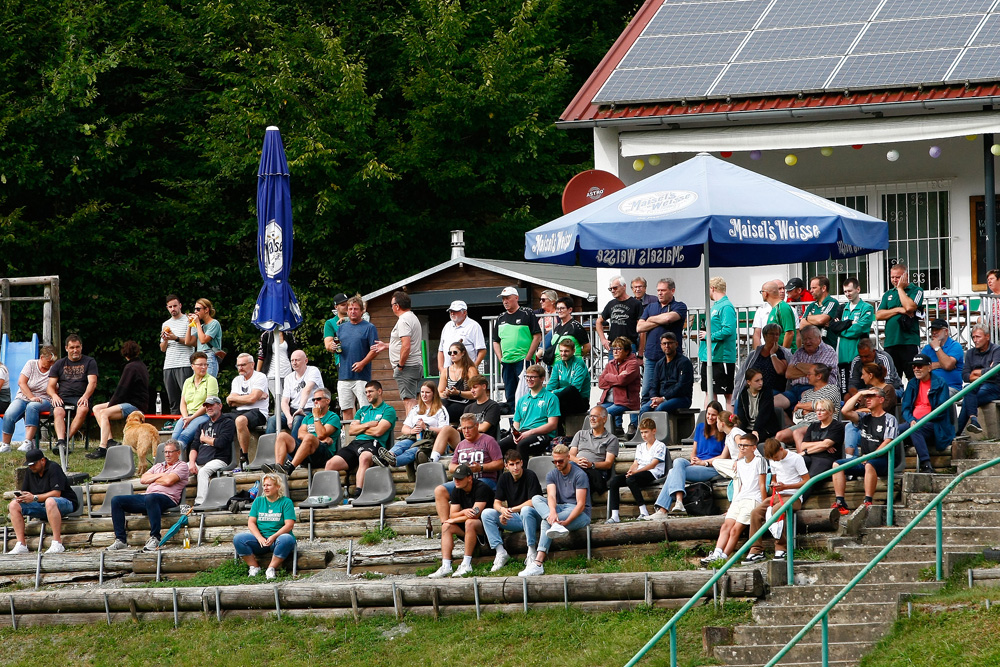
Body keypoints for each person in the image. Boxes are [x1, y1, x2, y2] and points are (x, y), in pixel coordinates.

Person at [518, 444, 591, 577]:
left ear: (568, 458)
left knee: (547, 523)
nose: (557, 464)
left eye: (560, 461)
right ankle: (533, 550)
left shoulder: (580, 474)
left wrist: (565, 521)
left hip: (578, 512)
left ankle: (538, 563)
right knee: (534, 501)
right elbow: (551, 495)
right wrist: (551, 513)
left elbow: (580, 505)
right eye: (554, 461)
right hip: (560, 507)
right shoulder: (552, 474)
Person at [106, 439, 190, 552]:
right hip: (148, 497)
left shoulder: (182, 466)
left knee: (152, 497)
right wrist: (161, 475)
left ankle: (155, 537)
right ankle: (120, 540)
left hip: (168, 498)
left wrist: (154, 479)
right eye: (165, 452)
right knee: (116, 500)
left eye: (170, 452)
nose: (167, 455)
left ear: (178, 453)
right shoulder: (158, 466)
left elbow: (169, 481)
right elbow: (143, 479)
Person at [650, 402, 725, 517]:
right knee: (678, 462)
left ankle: (664, 509)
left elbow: (724, 457)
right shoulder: (700, 427)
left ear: (719, 416)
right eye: (708, 414)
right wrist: (694, 460)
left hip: (712, 466)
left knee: (672, 472)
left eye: (713, 415)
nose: (710, 417)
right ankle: (677, 502)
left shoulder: (723, 432)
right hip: (697, 463)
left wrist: (703, 463)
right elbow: (694, 451)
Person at [832, 387, 899, 515]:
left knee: (870, 464)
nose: (867, 399)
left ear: (881, 400)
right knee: (837, 465)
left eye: (871, 396)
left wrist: (871, 457)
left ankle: (868, 500)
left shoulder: (890, 419)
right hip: (864, 459)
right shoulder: (864, 417)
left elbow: (888, 442)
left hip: (883, 460)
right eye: (866, 397)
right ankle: (840, 502)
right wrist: (860, 393)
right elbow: (845, 411)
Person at [701, 433, 766, 564]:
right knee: (726, 526)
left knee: (736, 529)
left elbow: (762, 484)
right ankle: (717, 553)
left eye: (745, 446)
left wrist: (764, 504)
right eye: (740, 445)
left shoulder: (759, 461)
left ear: (754, 447)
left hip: (753, 499)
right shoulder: (740, 464)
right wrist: (733, 503)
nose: (742, 448)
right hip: (740, 499)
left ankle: (724, 557)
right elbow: (740, 485)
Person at [325, 381, 397, 498]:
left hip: (374, 444)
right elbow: (351, 431)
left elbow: (378, 432)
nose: (367, 394)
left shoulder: (388, 410)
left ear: (379, 392)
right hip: (356, 443)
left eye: (370, 392)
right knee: (330, 464)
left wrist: (361, 428)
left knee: (364, 457)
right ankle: (329, 496)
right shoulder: (362, 410)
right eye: (366, 392)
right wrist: (368, 425)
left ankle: (359, 494)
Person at [743, 438, 810, 563]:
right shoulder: (772, 460)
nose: (775, 460)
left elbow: (807, 480)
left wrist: (786, 486)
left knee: (777, 509)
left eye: (776, 457)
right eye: (772, 459)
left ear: (781, 449)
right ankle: (756, 549)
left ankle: (781, 548)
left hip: (794, 496)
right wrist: (774, 483)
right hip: (777, 495)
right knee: (755, 512)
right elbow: (774, 477)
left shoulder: (796, 459)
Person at [427, 464, 495, 579]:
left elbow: (475, 514)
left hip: (485, 528)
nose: (456, 481)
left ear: (469, 478)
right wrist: (463, 513)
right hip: (468, 526)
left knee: (469, 522)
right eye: (455, 478)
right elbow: (453, 513)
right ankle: (446, 565)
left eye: (460, 478)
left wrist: (453, 519)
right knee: (446, 527)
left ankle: (466, 564)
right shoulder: (457, 489)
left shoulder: (482, 488)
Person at [6, 449, 79, 554]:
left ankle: (57, 543)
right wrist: (22, 497)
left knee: (50, 501)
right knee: (13, 505)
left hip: (65, 503)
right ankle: (21, 544)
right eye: (29, 465)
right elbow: (25, 492)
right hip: (42, 505)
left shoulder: (54, 468)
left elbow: (56, 493)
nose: (31, 467)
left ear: (43, 460)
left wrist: (34, 497)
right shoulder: (30, 471)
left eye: (34, 464)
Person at [482, 450, 543, 571]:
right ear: (506, 466)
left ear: (522, 463)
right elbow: (496, 502)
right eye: (511, 464)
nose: (515, 467)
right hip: (516, 518)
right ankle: (500, 552)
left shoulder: (530, 475)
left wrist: (510, 510)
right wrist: (502, 510)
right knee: (486, 513)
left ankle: (531, 551)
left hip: (533, 517)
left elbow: (533, 501)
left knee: (526, 510)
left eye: (517, 463)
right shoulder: (504, 478)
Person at [89, 340, 149, 458]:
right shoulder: (140, 365)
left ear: (125, 354)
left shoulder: (131, 367)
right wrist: (112, 403)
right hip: (130, 401)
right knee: (96, 408)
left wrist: (111, 404)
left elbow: (121, 390)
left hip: (135, 405)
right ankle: (110, 440)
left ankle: (102, 447)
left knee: (104, 413)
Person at [234, 472, 296, 580]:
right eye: (264, 485)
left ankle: (271, 568)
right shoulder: (258, 501)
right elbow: (251, 522)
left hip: (277, 539)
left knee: (287, 539)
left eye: (269, 485)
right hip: (261, 540)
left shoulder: (286, 502)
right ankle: (254, 567)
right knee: (238, 539)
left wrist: (273, 537)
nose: (265, 488)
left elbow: (289, 525)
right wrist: (259, 538)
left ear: (277, 487)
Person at [265, 388, 340, 477]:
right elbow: (300, 434)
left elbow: (321, 434)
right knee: (282, 436)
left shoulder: (333, 417)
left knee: (309, 438)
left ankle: (290, 468)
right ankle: (278, 468)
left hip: (324, 455)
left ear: (327, 401)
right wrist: (318, 439)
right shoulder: (308, 418)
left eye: (318, 399)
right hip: (306, 450)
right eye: (313, 399)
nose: (315, 402)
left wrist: (316, 417)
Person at [606, 418, 667, 522]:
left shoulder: (660, 445)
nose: (644, 435)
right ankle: (615, 515)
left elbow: (653, 464)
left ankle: (643, 511)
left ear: (654, 431)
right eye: (642, 432)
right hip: (638, 472)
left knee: (631, 480)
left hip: (653, 472)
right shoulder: (640, 446)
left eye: (646, 432)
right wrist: (630, 471)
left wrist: (636, 472)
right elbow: (636, 463)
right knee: (614, 481)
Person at [372, 291, 423, 415]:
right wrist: (386, 346)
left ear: (397, 306)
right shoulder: (412, 317)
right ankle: (413, 431)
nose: (392, 308)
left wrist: (400, 365)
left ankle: (412, 432)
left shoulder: (403, 320)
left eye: (391, 305)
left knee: (408, 401)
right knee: (411, 400)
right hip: (413, 365)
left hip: (407, 367)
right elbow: (402, 344)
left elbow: (406, 346)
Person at [429, 375, 501, 463]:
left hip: (482, 442)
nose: (472, 391)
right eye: (471, 388)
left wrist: (466, 427)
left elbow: (484, 427)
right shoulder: (468, 407)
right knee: (446, 429)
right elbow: (461, 426)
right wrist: (461, 428)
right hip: (465, 441)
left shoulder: (493, 406)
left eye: (475, 387)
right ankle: (433, 459)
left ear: (484, 386)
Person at [902, 354, 955, 474]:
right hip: (914, 422)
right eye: (914, 366)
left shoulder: (940, 383)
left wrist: (919, 422)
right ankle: (888, 465)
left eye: (920, 366)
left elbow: (940, 411)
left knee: (915, 429)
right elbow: (905, 409)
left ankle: (926, 465)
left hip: (935, 425)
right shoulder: (912, 384)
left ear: (929, 367)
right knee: (893, 431)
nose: (916, 369)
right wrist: (911, 420)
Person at [636, 278, 687, 399]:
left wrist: (650, 319)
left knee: (668, 390)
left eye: (663, 290)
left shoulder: (679, 306)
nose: (659, 293)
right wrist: (660, 320)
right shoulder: (650, 307)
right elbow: (639, 327)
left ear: (672, 290)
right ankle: (645, 417)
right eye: (658, 290)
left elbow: (668, 319)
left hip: (671, 357)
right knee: (646, 392)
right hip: (651, 356)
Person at [1, 345, 57, 453]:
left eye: (53, 362)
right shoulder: (31, 364)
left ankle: (28, 442)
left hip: (44, 399)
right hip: (24, 396)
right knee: (9, 413)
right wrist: (31, 397)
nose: (51, 364)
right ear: (41, 358)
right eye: (49, 361)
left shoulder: (54, 370)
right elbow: (21, 382)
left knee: (32, 406)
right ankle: (6, 445)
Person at [498, 364, 560, 462]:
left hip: (542, 434)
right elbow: (516, 422)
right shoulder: (522, 400)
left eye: (533, 377)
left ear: (542, 378)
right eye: (527, 376)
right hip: (523, 433)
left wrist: (530, 432)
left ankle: (523, 475)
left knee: (522, 445)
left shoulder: (551, 398)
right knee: (498, 446)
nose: (529, 379)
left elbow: (552, 425)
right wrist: (515, 435)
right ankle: (502, 476)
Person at [47, 335, 99, 451]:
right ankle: (60, 441)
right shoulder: (59, 364)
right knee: (58, 410)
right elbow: (50, 387)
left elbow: (92, 382)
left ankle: (65, 440)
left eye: (77, 347)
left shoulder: (90, 362)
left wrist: (85, 396)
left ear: (81, 347)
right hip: (63, 397)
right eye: (72, 347)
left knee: (83, 409)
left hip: (82, 396)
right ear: (66, 348)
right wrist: (54, 395)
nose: (75, 350)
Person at [493, 287, 542, 404]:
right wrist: (501, 359)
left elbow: (537, 336)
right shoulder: (500, 318)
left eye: (508, 298)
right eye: (503, 299)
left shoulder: (527, 313)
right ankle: (512, 421)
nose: (505, 301)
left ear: (516, 298)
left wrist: (528, 357)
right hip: (507, 362)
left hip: (523, 361)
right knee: (510, 394)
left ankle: (529, 419)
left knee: (527, 391)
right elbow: (495, 340)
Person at [876, 263, 923, 380]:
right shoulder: (888, 294)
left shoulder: (916, 290)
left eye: (898, 277)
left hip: (908, 342)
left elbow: (909, 307)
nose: (894, 280)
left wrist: (900, 288)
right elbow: (878, 315)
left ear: (905, 276)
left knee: (913, 378)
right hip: (891, 342)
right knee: (891, 379)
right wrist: (898, 310)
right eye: (892, 277)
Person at [775, 325, 838, 412]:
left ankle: (797, 425)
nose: (807, 342)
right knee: (771, 404)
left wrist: (798, 365)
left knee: (803, 408)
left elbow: (821, 373)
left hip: (815, 390)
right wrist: (812, 372)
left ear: (819, 338)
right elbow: (788, 374)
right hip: (795, 389)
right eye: (804, 339)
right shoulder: (799, 352)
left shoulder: (828, 351)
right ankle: (789, 424)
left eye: (810, 338)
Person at [775, 364, 842, 444]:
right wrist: (803, 412)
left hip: (822, 423)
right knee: (779, 436)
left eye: (809, 374)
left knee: (798, 433)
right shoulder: (807, 393)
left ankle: (803, 456)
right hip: (804, 424)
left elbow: (821, 405)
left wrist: (799, 405)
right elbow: (796, 414)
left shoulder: (832, 389)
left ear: (819, 376)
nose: (807, 376)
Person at [336, 295, 379, 421]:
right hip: (343, 375)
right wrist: (334, 347)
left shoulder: (369, 327)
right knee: (346, 410)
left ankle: (366, 438)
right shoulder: (341, 328)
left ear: (362, 311)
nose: (352, 311)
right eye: (350, 309)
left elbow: (375, 349)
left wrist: (363, 363)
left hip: (361, 376)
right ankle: (350, 439)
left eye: (355, 309)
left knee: (365, 409)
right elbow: (338, 347)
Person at [390, 381, 449, 468]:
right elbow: (404, 428)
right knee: (402, 444)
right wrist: (411, 430)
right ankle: (388, 455)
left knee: (414, 450)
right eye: (422, 392)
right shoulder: (415, 409)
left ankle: (394, 461)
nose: (424, 395)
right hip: (415, 437)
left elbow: (445, 430)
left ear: (434, 394)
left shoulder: (440, 409)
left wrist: (426, 427)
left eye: (427, 392)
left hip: (431, 440)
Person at [188, 396, 234, 504]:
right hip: (200, 461)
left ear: (220, 406)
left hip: (219, 459)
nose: (209, 408)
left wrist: (205, 439)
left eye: (211, 405)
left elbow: (222, 443)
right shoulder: (201, 426)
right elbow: (194, 447)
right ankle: (175, 501)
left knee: (203, 472)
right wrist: (191, 463)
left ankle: (200, 503)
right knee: (180, 469)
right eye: (207, 406)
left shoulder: (228, 423)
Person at [700, 277, 738, 409]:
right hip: (709, 356)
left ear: (712, 288)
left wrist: (708, 336)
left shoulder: (726, 306)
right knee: (709, 391)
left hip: (722, 357)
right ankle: (709, 425)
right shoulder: (715, 306)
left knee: (727, 393)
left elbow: (729, 329)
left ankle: (730, 425)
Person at [268, 349, 323, 439]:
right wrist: (289, 417)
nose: (294, 363)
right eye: (292, 360)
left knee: (297, 420)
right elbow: (284, 401)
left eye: (297, 360)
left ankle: (294, 451)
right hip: (293, 410)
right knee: (273, 420)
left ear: (306, 361)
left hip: (310, 409)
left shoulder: (313, 371)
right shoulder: (289, 378)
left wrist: (301, 408)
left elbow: (307, 390)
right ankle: (269, 450)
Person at [171, 352, 219, 450]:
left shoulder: (211, 380)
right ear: (192, 366)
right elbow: (183, 403)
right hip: (187, 415)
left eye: (206, 364)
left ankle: (177, 463)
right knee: (173, 439)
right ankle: (170, 463)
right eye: (200, 365)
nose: (204, 367)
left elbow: (208, 404)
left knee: (184, 436)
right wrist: (185, 418)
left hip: (204, 415)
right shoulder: (187, 381)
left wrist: (191, 418)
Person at [228, 352, 270, 466]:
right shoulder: (237, 380)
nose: (240, 368)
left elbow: (252, 400)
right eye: (238, 365)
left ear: (252, 365)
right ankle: (224, 459)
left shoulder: (260, 377)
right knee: (218, 419)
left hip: (258, 411)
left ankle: (244, 457)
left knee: (240, 420)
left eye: (243, 365)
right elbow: (230, 401)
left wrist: (240, 398)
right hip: (239, 411)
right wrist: (251, 397)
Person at [957, 324, 1000, 435]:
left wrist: (977, 372)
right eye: (973, 337)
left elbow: (995, 373)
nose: (975, 340)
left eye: (978, 337)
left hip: (994, 386)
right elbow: (965, 376)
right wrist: (986, 371)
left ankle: (956, 433)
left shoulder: (996, 350)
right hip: (977, 385)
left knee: (968, 398)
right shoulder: (970, 353)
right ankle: (973, 421)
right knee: (968, 388)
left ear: (987, 337)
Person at [792, 398, 844, 489]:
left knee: (811, 479)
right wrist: (821, 444)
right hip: (810, 456)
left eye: (822, 410)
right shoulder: (813, 425)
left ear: (830, 412)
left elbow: (826, 445)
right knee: (794, 470)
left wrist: (808, 451)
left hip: (826, 458)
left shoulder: (837, 426)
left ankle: (797, 501)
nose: (819, 413)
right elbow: (803, 445)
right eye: (817, 410)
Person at [568, 405, 619, 496]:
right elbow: (570, 455)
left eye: (595, 416)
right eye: (590, 416)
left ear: (604, 419)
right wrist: (577, 460)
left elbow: (608, 463)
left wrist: (591, 465)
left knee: (575, 472)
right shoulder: (580, 434)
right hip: (577, 466)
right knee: (561, 469)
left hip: (596, 471)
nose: (592, 419)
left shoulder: (611, 439)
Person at [639, 332, 694, 416]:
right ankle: (644, 429)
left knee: (660, 408)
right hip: (660, 399)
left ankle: (659, 429)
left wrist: (663, 398)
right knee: (644, 409)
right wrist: (654, 398)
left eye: (670, 343)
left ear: (676, 344)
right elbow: (654, 386)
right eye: (664, 343)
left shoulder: (684, 362)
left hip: (681, 398)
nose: (667, 346)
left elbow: (682, 386)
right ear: (661, 345)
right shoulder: (659, 364)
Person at [837, 278, 875, 396]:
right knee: (845, 393)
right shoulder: (843, 308)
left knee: (860, 391)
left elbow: (859, 329)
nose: (847, 294)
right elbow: (834, 327)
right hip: (843, 357)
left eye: (850, 291)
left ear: (858, 289)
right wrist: (845, 326)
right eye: (845, 291)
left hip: (858, 357)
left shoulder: (867, 308)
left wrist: (841, 329)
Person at [732, 323, 789, 401]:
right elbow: (742, 374)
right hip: (754, 389)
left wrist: (773, 354)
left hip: (774, 391)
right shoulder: (754, 354)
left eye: (777, 334)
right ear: (764, 336)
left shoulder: (782, 353)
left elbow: (781, 371)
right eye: (772, 334)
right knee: (739, 403)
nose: (775, 337)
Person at [160, 294, 195, 416]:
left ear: (180, 305)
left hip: (185, 363)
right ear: (167, 308)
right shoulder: (165, 324)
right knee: (172, 398)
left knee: (187, 396)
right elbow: (163, 349)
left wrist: (175, 338)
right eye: (170, 307)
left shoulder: (189, 320)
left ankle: (189, 420)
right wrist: (165, 340)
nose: (173, 309)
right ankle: (175, 422)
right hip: (169, 364)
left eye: (175, 306)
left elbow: (194, 342)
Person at [598, 336, 641, 435]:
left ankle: (607, 436)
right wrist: (616, 377)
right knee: (593, 413)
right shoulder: (610, 364)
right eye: (614, 349)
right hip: (608, 400)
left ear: (627, 351)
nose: (615, 352)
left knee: (603, 414)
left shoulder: (633, 364)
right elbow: (601, 383)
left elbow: (623, 381)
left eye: (619, 349)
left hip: (625, 402)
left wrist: (609, 377)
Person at [546, 338, 591, 430]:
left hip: (580, 401)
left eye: (566, 351)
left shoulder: (579, 364)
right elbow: (551, 385)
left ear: (573, 351)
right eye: (561, 351)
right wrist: (547, 395)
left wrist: (554, 393)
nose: (563, 354)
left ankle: (559, 432)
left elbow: (576, 388)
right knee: (552, 403)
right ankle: (556, 433)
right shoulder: (557, 365)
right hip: (562, 399)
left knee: (570, 390)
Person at [596, 275, 643, 356]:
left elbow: (642, 330)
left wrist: (641, 353)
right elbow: (598, 321)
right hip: (614, 346)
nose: (613, 291)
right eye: (610, 289)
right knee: (613, 369)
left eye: (615, 288)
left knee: (629, 368)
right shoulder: (611, 304)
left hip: (629, 346)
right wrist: (603, 339)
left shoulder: (636, 304)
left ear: (624, 286)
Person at [437, 300, 487, 373]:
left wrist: (473, 368)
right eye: (450, 311)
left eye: (456, 311)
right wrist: (441, 369)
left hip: (466, 372)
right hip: (448, 372)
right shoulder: (447, 326)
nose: (452, 313)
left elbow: (482, 350)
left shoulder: (474, 326)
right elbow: (441, 350)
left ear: (465, 312)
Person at [920, 319, 964, 394]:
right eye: (932, 330)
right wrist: (941, 364)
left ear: (946, 331)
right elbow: (921, 368)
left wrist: (937, 348)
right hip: (929, 387)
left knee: (939, 396)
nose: (934, 332)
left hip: (950, 387)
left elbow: (947, 365)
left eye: (937, 330)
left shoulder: (955, 346)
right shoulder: (927, 348)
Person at [735, 368, 779, 441]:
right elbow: (741, 415)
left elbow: (764, 414)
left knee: (751, 441)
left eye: (761, 379)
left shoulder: (767, 392)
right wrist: (740, 430)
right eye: (757, 381)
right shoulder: (743, 394)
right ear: (749, 382)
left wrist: (756, 430)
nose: (760, 383)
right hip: (748, 428)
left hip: (765, 428)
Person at [438, 343, 477, 423]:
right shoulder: (446, 371)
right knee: (438, 408)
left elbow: (476, 393)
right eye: (450, 353)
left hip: (466, 402)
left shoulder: (470, 370)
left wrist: (458, 393)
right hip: (450, 401)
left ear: (463, 353)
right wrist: (446, 393)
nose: (452, 355)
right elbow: (439, 392)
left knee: (449, 411)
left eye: (455, 352)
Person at [184, 298, 223, 378]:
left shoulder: (214, 323)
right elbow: (188, 342)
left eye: (198, 309)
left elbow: (203, 340)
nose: (195, 312)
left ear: (206, 310)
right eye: (195, 309)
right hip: (199, 357)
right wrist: (190, 325)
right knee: (198, 386)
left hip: (209, 357)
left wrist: (197, 322)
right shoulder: (202, 327)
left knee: (207, 385)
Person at [546, 297, 591, 363]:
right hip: (557, 365)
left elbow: (587, 347)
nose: (559, 311)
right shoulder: (557, 326)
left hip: (573, 365)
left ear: (570, 310)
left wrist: (576, 356)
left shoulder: (576, 326)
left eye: (562, 308)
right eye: (557, 308)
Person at [801, 276, 841, 348]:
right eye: (811, 288)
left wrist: (809, 319)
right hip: (811, 350)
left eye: (814, 288)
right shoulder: (812, 305)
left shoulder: (832, 302)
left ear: (823, 288)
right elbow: (802, 325)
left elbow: (821, 320)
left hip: (827, 349)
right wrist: (809, 318)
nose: (811, 291)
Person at [256, 330, 298, 400]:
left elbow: (295, 353)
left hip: (288, 373)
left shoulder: (288, 334)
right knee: (280, 399)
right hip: (272, 374)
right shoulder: (266, 335)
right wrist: (257, 375)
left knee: (289, 400)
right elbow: (261, 356)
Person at [710, 410, 747, 479]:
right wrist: (705, 462)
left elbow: (743, 447)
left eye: (717, 422)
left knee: (716, 463)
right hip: (739, 464)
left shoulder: (735, 432)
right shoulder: (728, 436)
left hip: (746, 462)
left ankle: (738, 475)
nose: (716, 424)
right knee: (716, 462)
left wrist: (737, 461)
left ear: (722, 424)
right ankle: (737, 475)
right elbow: (722, 457)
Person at [764, 280, 797, 351]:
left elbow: (789, 333)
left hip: (785, 356)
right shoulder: (775, 309)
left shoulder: (783, 308)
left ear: (766, 293)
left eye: (762, 292)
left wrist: (783, 353)